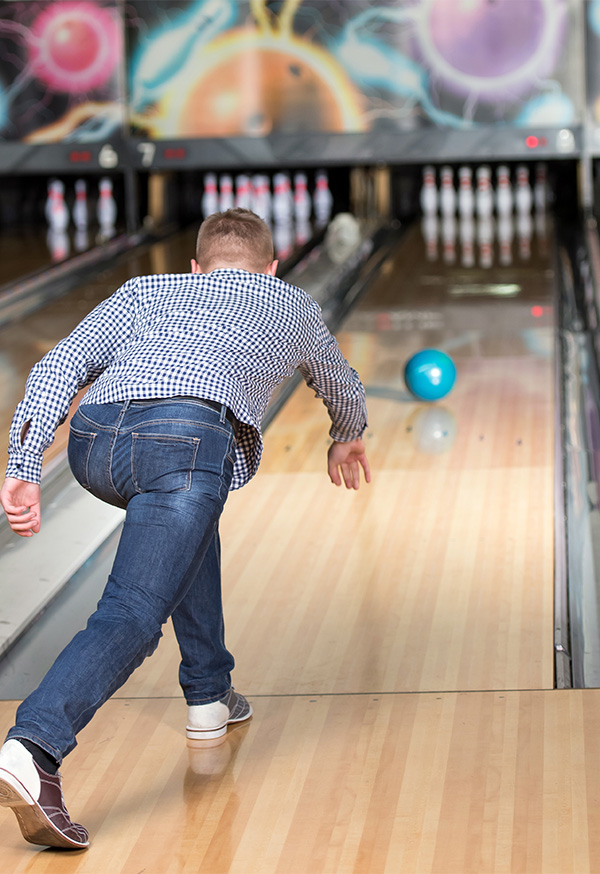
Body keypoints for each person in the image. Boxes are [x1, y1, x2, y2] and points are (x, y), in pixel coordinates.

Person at [0, 208, 370, 849]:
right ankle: (33, 747)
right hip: (186, 440)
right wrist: (347, 436)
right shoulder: (291, 302)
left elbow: (55, 367)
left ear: (194, 268)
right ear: (273, 268)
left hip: (96, 442)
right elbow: (339, 384)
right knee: (132, 615)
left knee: (192, 530)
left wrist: (24, 467)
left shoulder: (145, 290)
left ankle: (209, 693)